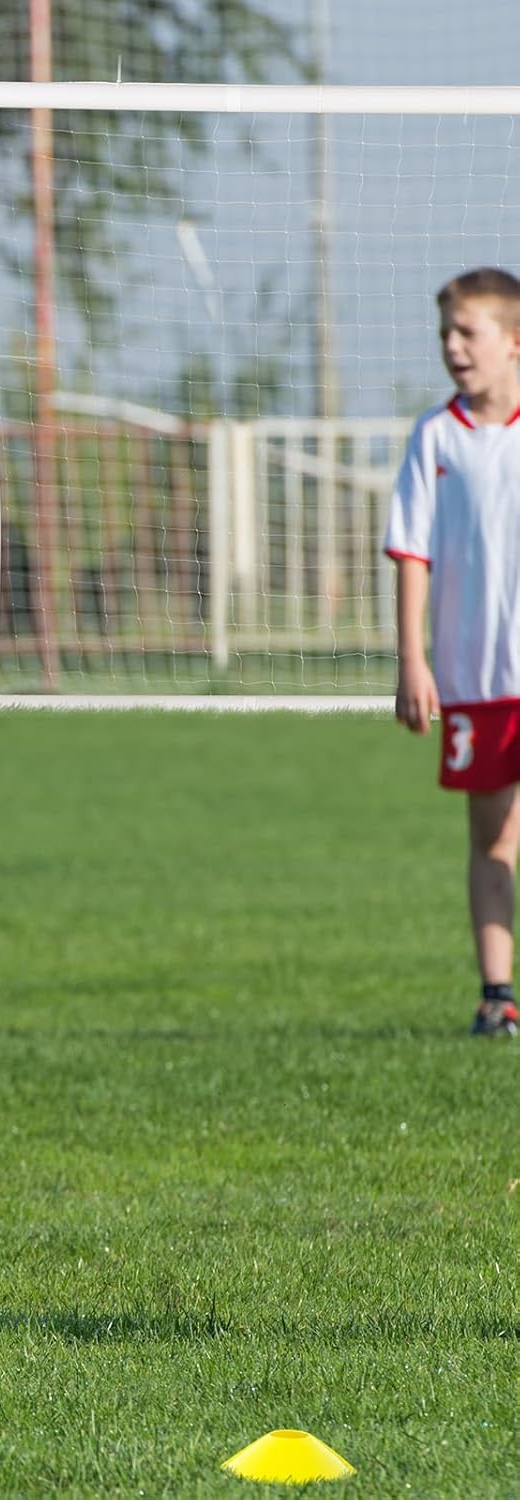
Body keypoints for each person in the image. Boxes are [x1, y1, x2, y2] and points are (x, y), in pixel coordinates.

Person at [385, 266, 520, 1037]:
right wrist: (414, 661)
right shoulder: (436, 436)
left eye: (467, 332)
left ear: (513, 342)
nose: (452, 347)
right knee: (493, 834)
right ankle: (497, 996)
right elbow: (412, 550)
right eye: (445, 333)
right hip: (475, 676)